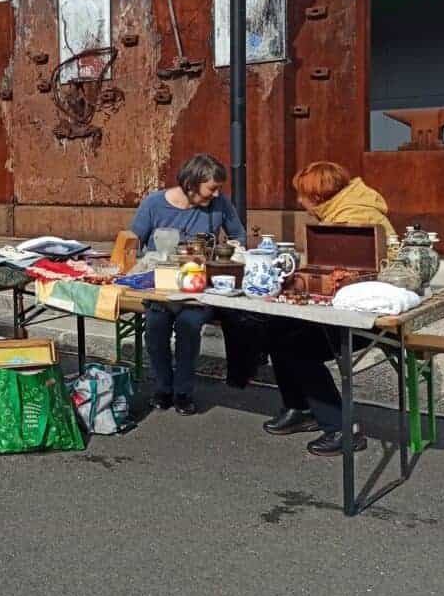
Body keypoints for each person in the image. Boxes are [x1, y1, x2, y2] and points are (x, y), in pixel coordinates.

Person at [258, 161, 395, 456]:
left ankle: (343, 428)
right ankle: (300, 408)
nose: (299, 201)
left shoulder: (354, 217)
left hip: (368, 316)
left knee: (298, 347)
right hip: (342, 309)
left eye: (302, 195)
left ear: (317, 197)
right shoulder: (341, 210)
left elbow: (352, 274)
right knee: (276, 328)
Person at [131, 153, 246, 415]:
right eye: (212, 188)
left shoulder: (220, 206)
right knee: (156, 326)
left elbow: (238, 236)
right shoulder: (154, 204)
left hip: (199, 289)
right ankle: (162, 387)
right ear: (192, 183)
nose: (216, 195)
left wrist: (230, 254)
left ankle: (183, 391)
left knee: (189, 324)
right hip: (161, 288)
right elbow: (132, 241)